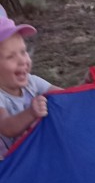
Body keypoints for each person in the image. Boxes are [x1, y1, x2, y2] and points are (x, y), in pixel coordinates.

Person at [0, 9, 60, 161]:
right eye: (10, 56)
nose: (23, 61)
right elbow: (7, 127)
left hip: (37, 154)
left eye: (23, 51)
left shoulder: (31, 82)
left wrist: (85, 87)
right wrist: (31, 113)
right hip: (11, 165)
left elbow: (63, 96)